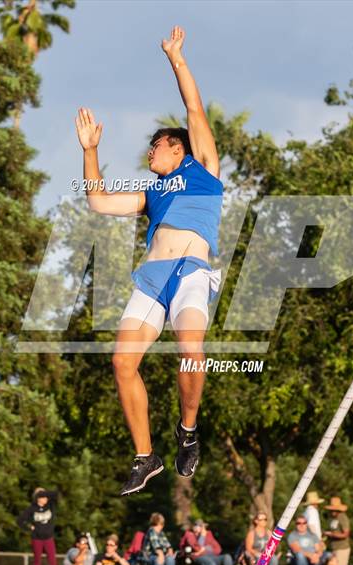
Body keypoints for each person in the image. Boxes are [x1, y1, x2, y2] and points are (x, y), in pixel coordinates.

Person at [75, 25, 223, 495]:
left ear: (175, 148)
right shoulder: (150, 192)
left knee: (191, 354)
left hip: (192, 272)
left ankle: (187, 430)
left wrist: (176, 58)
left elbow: (193, 108)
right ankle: (146, 456)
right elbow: (97, 201)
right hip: (153, 278)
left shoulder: (201, 166)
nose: (149, 152)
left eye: (155, 146)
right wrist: (91, 152)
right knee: (122, 362)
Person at [17, 487, 58, 565]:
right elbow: (20, 521)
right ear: (37, 498)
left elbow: (55, 494)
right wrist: (29, 527)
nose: (45, 498)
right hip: (37, 538)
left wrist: (44, 492)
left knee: (52, 561)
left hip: (48, 537)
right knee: (37, 562)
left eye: (46, 496)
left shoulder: (50, 506)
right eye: (42, 496)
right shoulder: (31, 509)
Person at [323, 497, 350, 565]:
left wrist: (331, 534)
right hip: (333, 548)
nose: (332, 511)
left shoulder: (342, 517)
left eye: (334, 509)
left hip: (342, 548)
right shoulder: (332, 518)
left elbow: (346, 534)